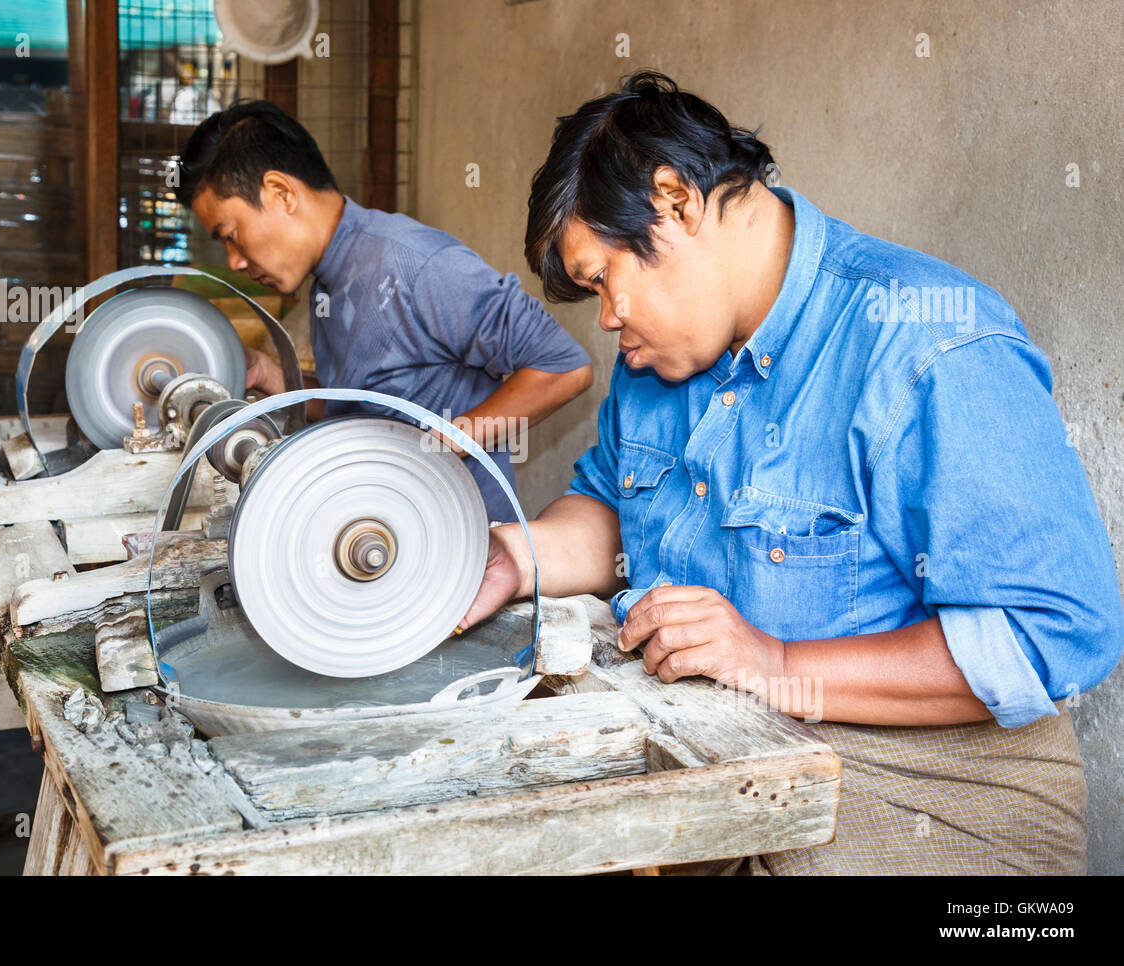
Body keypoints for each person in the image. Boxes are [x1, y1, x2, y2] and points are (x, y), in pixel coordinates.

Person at [460, 70, 1124, 874]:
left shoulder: (925, 344)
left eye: (604, 280)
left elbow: (1044, 633)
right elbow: (607, 512)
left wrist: (773, 664)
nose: (608, 320)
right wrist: (508, 557)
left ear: (676, 202)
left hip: (942, 792)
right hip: (736, 754)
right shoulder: (659, 367)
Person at [177, 101, 594, 523]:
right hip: (381, 533)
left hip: (458, 542)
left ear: (281, 192)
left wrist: (438, 445)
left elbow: (563, 366)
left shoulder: (416, 264)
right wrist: (268, 374)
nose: (233, 260)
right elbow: (360, 406)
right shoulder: (328, 278)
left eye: (231, 236)